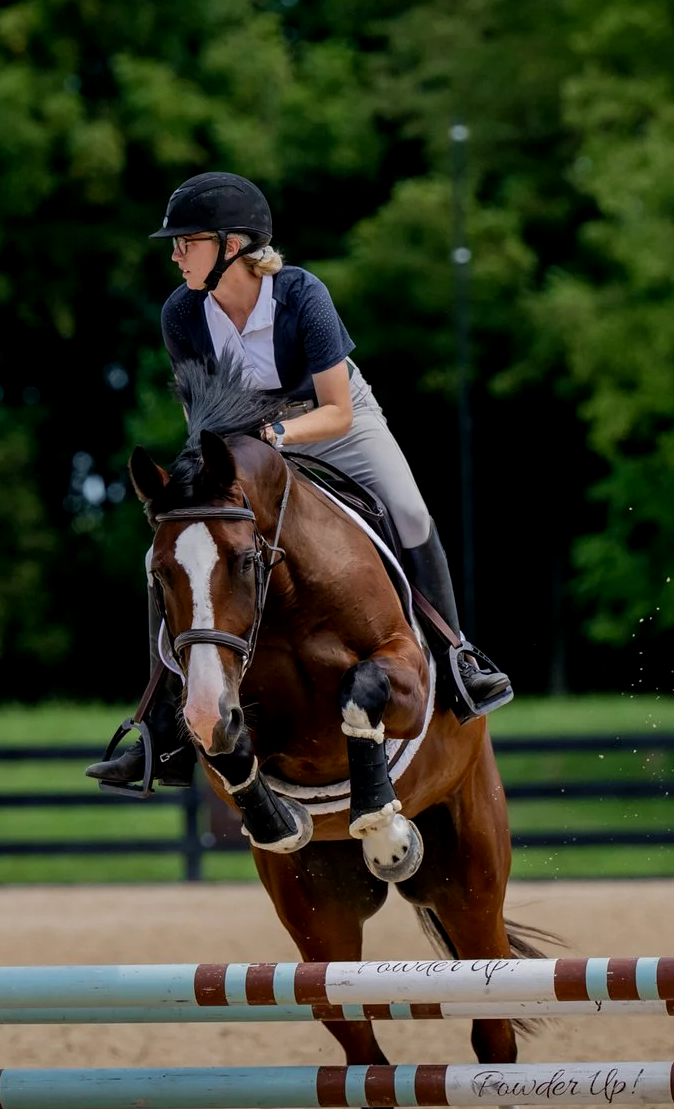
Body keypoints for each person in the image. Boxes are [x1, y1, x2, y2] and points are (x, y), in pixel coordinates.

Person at [88, 172, 513, 792]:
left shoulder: (300, 294)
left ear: (234, 244)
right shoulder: (182, 313)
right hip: (240, 440)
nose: (176, 253)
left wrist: (277, 439)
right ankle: (163, 727)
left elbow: (336, 410)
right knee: (178, 549)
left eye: (189, 241)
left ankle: (457, 660)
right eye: (176, 244)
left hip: (335, 424)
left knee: (411, 511)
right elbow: (200, 418)